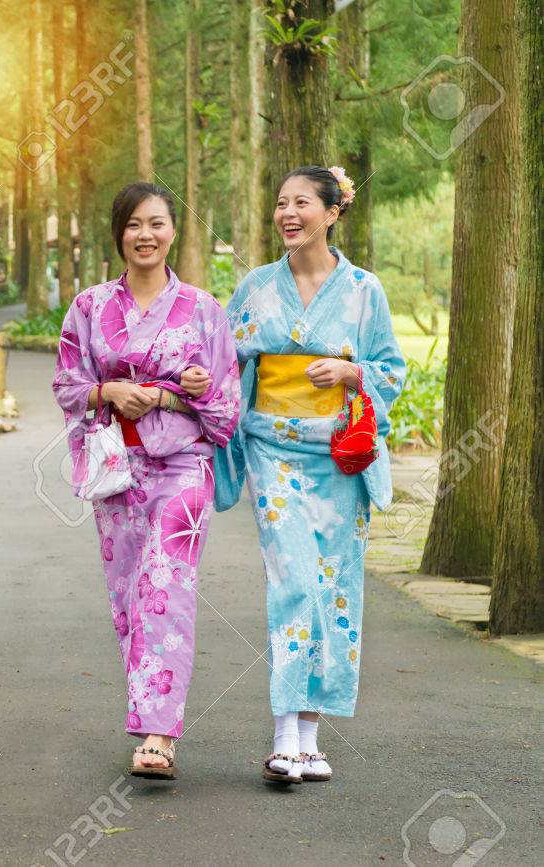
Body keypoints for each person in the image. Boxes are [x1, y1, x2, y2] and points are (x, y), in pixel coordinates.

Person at [213, 165, 405, 784]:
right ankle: (283, 737)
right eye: (280, 203)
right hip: (274, 452)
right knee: (294, 578)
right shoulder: (257, 287)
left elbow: (391, 371)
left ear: (332, 212)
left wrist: (351, 374)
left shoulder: (363, 289)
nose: (287, 213)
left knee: (337, 587)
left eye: (301, 203)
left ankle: (313, 737)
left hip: (340, 458)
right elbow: (222, 358)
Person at [52, 182, 241, 780]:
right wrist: (108, 390)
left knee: (167, 585)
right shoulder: (87, 308)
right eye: (134, 224)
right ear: (119, 234)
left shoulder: (206, 311)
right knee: (129, 595)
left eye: (156, 223)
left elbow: (226, 407)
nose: (145, 235)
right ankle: (149, 716)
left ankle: (159, 735)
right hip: (117, 470)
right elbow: (66, 384)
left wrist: (175, 393)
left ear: (173, 232)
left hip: (184, 470)